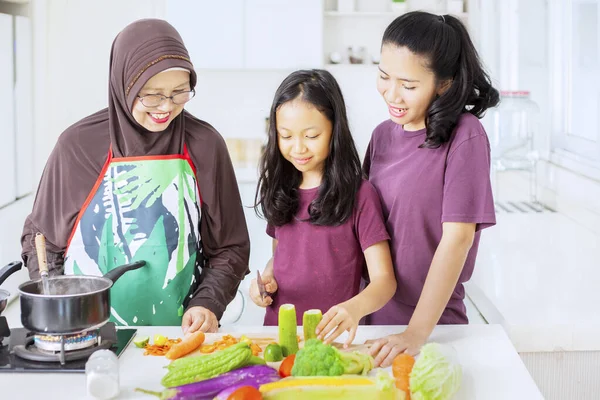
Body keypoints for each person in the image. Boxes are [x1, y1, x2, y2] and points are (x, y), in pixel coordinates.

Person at [20, 19, 250, 334]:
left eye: (180, 93)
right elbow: (41, 241)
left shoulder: (206, 145)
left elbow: (231, 246)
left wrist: (207, 303)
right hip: (85, 334)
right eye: (152, 95)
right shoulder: (78, 145)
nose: (165, 108)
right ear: (123, 83)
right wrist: (62, 305)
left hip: (183, 334)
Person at [364, 11, 499, 366]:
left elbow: (458, 239)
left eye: (408, 85)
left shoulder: (465, 135)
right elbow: (360, 228)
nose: (391, 93)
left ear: (444, 84)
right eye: (383, 76)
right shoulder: (382, 136)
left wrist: (415, 333)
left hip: (432, 328)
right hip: (371, 321)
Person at [249, 69, 397, 346]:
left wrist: (354, 308)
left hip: (334, 340)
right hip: (279, 336)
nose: (298, 148)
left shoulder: (360, 195)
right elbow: (281, 256)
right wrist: (267, 278)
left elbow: (385, 281)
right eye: (286, 135)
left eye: (312, 135)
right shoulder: (280, 188)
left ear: (335, 130)